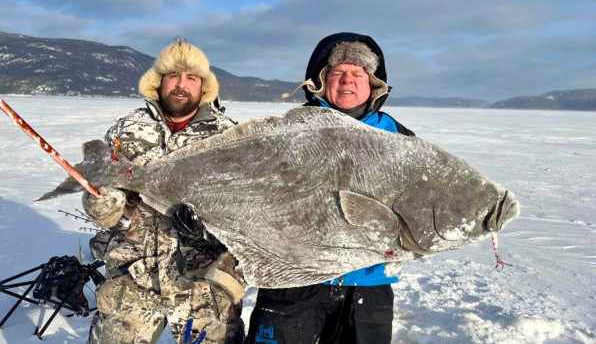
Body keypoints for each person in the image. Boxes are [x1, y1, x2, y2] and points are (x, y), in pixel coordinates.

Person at [245, 32, 415, 344]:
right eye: (338, 73)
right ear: (321, 80)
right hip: (294, 278)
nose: (347, 81)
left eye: (357, 73)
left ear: (373, 83)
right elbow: (252, 194)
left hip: (368, 282)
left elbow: (418, 205)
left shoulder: (400, 139)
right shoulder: (288, 130)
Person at [82, 38, 245, 344]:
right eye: (173, 76)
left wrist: (204, 230)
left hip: (204, 284)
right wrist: (104, 204)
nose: (181, 85)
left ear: (203, 86)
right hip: (132, 280)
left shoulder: (229, 136)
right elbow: (102, 202)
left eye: (191, 78)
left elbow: (245, 214)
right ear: (159, 82)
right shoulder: (125, 129)